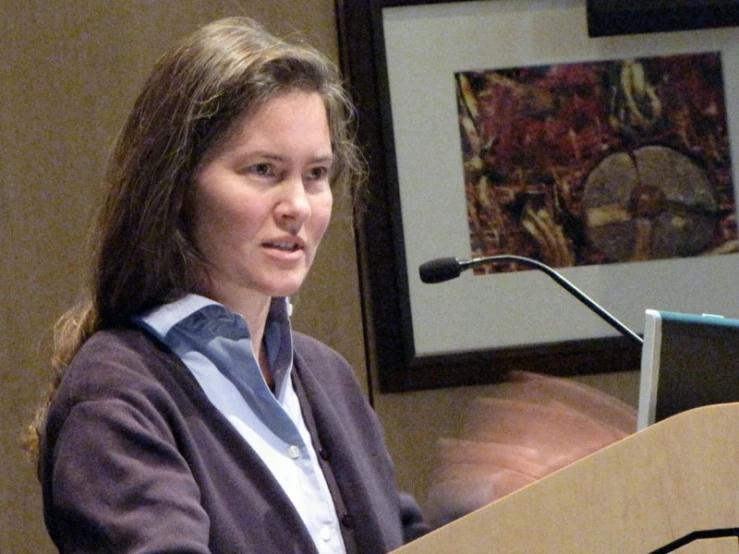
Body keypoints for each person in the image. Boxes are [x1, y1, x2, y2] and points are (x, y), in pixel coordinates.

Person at [27, 16, 429, 553]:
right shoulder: (116, 393)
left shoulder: (327, 377)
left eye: (316, 174)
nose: (298, 207)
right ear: (176, 185)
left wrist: (515, 499)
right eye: (263, 170)